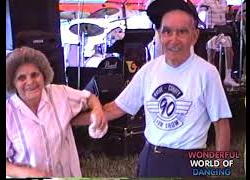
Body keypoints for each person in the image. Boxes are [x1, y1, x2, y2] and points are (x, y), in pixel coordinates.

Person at [75, 0, 232, 177]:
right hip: (152, 158)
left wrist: (220, 170)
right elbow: (115, 108)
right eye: (167, 32)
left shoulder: (207, 73)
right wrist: (68, 121)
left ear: (194, 36)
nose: (173, 39)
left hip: (189, 161)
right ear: (159, 34)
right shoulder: (149, 71)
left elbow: (221, 124)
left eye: (182, 32)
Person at [6, 46, 107, 178]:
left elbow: (88, 98)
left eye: (35, 74)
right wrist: (27, 173)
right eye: (21, 78)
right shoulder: (8, 113)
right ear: (13, 83)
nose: (30, 82)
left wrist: (97, 109)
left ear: (44, 75)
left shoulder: (60, 93)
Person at [197, 0, 239, 87]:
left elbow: (226, 16)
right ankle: (210, 77)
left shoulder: (224, 2)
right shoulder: (207, 1)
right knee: (211, 46)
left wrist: (229, 13)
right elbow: (198, 11)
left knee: (228, 43)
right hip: (212, 31)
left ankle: (228, 76)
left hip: (223, 30)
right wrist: (203, 13)